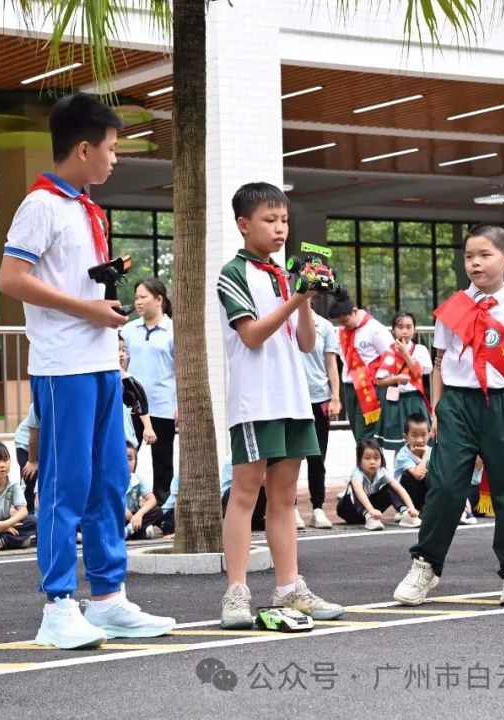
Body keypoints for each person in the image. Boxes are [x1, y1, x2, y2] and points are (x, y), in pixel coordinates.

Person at [0, 92, 174, 648]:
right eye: (112, 147)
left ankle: (107, 599)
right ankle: (56, 605)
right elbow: (10, 279)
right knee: (64, 484)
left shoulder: (84, 205)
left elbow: (72, 282)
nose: (116, 157)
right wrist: (89, 310)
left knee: (109, 481)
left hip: (99, 362)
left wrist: (104, 311)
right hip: (62, 366)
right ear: (83, 147)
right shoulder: (42, 205)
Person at [393, 224, 504, 608]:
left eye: (484, 255)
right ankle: (425, 564)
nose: (475, 263)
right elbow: (440, 362)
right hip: (457, 403)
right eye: (468, 256)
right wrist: (439, 408)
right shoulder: (452, 307)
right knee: (444, 485)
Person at [215, 181, 344, 629]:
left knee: (286, 498)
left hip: (293, 398)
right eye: (270, 220)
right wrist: (294, 298)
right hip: (255, 402)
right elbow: (250, 335)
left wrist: (305, 298)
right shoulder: (232, 274)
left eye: (284, 220)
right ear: (244, 225)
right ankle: (236, 592)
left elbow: (308, 343)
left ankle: (290, 588)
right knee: (246, 493)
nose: (280, 228)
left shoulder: (288, 275)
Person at [122, 279, 177, 506]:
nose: (138, 302)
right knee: (125, 457)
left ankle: (161, 510)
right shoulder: (128, 330)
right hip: (132, 406)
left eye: (143, 297)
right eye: (136, 298)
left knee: (163, 462)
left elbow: (181, 369)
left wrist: (179, 405)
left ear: (159, 300)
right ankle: (123, 505)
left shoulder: (173, 330)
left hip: (163, 405)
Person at [298, 303, 341, 530]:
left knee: (317, 457)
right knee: (290, 457)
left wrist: (335, 397)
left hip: (319, 397)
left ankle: (317, 508)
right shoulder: (287, 321)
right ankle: (291, 507)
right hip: (293, 399)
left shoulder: (324, 326)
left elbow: (331, 363)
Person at [329, 294, 393, 444]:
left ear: (355, 311)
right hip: (349, 386)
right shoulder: (342, 331)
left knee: (365, 437)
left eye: (345, 321)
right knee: (357, 434)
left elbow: (391, 354)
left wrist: (380, 377)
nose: (343, 325)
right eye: (339, 323)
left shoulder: (375, 329)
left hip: (370, 387)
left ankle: (369, 467)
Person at [375, 312, 432, 452]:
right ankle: (401, 472)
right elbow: (379, 381)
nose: (405, 331)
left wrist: (405, 353)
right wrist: (395, 379)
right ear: (393, 329)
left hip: (415, 400)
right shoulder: (389, 351)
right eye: (400, 327)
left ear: (414, 329)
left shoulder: (420, 350)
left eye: (409, 327)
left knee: (420, 442)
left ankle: (422, 471)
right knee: (398, 445)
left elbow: (419, 372)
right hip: (395, 402)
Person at [336, 438, 421, 530]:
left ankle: (405, 513)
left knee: (390, 487)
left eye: (376, 458)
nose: (372, 462)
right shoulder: (357, 473)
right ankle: (369, 516)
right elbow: (359, 491)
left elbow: (400, 489)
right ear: (360, 460)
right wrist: (371, 510)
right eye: (367, 458)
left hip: (372, 509)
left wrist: (411, 508)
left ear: (381, 459)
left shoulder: (382, 472)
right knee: (355, 487)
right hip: (350, 510)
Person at [123, 444, 164, 540]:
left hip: (133, 517)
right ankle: (140, 533)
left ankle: (128, 531)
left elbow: (152, 500)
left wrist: (139, 514)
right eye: (122, 458)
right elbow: (108, 500)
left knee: (157, 512)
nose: (127, 463)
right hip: (118, 515)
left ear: (135, 461)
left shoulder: (138, 479)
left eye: (130, 459)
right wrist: (122, 510)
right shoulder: (110, 479)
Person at [394, 413, 431, 512]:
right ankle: (404, 510)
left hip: (421, 496)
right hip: (404, 497)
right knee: (407, 475)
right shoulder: (402, 455)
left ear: (429, 435)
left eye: (423, 435)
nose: (419, 440)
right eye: (414, 435)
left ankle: (427, 508)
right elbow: (418, 475)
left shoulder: (431, 451)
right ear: (405, 437)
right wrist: (425, 456)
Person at [13, 404, 40, 513]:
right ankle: (27, 511)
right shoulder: (36, 405)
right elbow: (33, 435)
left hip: (44, 446)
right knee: (30, 476)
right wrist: (32, 461)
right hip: (25, 444)